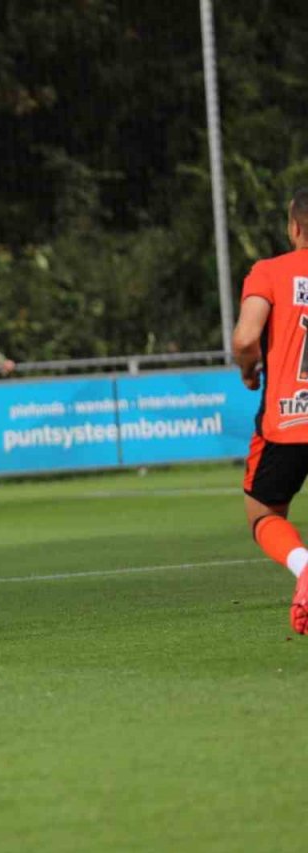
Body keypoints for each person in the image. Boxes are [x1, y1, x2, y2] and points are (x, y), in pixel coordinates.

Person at [232, 187, 308, 633]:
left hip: (288, 420)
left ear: (294, 226)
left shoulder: (270, 272)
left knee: (263, 512)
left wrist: (248, 370)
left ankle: (304, 567)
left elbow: (245, 339)